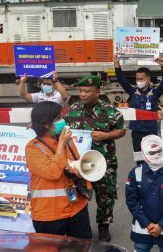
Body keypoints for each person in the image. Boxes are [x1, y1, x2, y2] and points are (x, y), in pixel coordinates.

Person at [64, 75, 126, 242]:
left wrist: (106, 135)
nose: (82, 94)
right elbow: (63, 129)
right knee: (76, 194)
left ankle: (103, 226)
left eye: (87, 91)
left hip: (103, 162)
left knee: (105, 195)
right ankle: (78, 226)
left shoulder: (110, 111)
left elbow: (121, 131)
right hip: (78, 163)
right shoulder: (73, 108)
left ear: (97, 92)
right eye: (81, 91)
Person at [25, 101, 92, 239]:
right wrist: (61, 143)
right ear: (45, 123)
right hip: (49, 214)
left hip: (76, 207)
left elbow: (75, 161)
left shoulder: (67, 141)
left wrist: (77, 168)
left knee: (83, 251)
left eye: (61, 116)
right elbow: (53, 173)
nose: (62, 121)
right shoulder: (33, 147)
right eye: (57, 119)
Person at [114, 56, 163, 163]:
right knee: (139, 159)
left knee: (153, 159)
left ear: (148, 79)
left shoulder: (154, 93)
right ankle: (139, 177)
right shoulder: (133, 92)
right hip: (136, 133)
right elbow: (122, 80)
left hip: (151, 132)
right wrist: (117, 65)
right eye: (137, 79)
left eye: (141, 79)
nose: (138, 81)